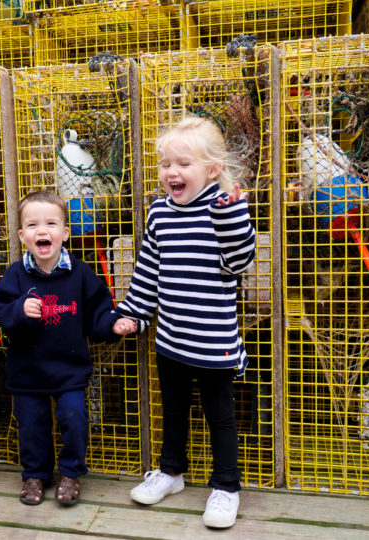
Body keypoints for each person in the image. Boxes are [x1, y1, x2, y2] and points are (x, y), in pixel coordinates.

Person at [114, 116, 256, 529]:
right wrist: (133, 316)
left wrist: (230, 220)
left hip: (213, 343)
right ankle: (171, 473)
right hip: (171, 340)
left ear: (212, 169)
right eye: (165, 164)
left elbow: (239, 261)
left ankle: (226, 487)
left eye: (183, 164)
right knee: (173, 410)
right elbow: (148, 271)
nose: (171, 173)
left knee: (219, 417)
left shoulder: (223, 208)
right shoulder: (159, 211)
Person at [0, 190, 132, 507]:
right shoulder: (16, 274)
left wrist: (113, 324)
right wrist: (18, 311)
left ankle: (70, 473)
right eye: (33, 225)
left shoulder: (80, 274)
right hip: (27, 372)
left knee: (74, 417)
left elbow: (98, 312)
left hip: (68, 370)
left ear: (65, 233)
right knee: (32, 426)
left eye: (52, 223)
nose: (43, 231)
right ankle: (36, 475)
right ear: (22, 235)